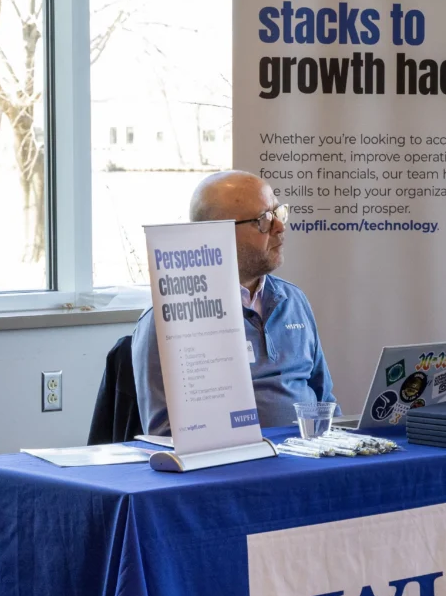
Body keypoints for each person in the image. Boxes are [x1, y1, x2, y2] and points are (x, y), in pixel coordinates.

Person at [133, 170, 337, 435]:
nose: (280, 227)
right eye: (264, 219)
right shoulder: (171, 318)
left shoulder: (293, 299)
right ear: (216, 234)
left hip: (310, 459)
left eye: (278, 213)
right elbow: (164, 433)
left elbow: (325, 402)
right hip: (234, 468)